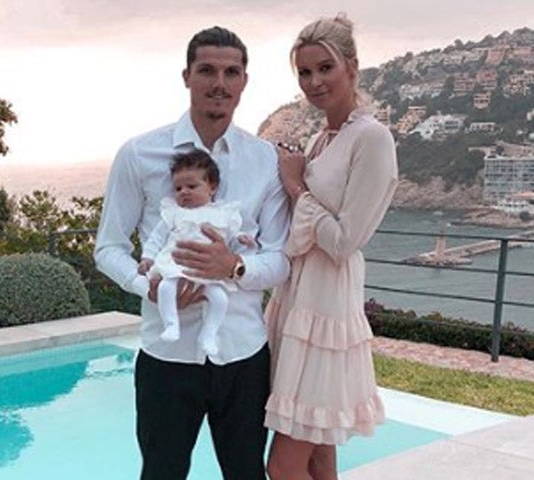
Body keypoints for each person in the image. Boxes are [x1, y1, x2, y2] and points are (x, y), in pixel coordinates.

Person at [94, 26, 290, 480]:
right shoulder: (139, 154)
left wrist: (234, 266)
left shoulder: (265, 160)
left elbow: (280, 258)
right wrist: (147, 285)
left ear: (244, 81)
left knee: (246, 473)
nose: (219, 83)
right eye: (207, 70)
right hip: (168, 357)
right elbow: (108, 247)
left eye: (231, 72)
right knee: (161, 473)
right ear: (186, 76)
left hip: (242, 354)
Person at [264, 14, 399, 480]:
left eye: (325, 68)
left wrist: (295, 185)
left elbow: (344, 241)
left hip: (326, 306)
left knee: (282, 467)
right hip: (297, 298)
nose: (314, 82)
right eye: (305, 72)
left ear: (352, 68)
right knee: (318, 455)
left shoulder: (372, 138)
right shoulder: (321, 138)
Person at [137, 149, 255, 355]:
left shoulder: (223, 213)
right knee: (165, 288)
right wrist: (147, 257)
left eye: (192, 186)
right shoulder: (174, 213)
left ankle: (209, 334)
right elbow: (156, 238)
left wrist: (241, 237)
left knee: (220, 299)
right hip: (175, 265)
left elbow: (231, 233)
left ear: (212, 187)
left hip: (208, 272)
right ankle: (171, 324)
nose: (184, 192)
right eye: (178, 188)